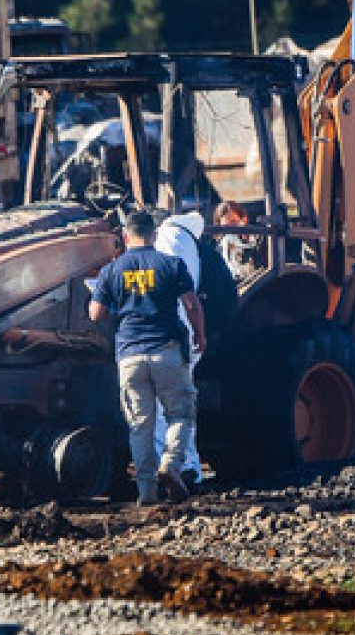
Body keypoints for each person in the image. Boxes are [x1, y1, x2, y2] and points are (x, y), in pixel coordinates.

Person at [88, 208, 206, 505]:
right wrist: (200, 336)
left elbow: (95, 314)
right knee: (180, 413)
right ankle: (172, 464)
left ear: (125, 236)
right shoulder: (171, 263)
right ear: (154, 234)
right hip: (166, 351)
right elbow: (192, 306)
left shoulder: (111, 271)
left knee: (140, 426)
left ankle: (147, 493)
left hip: (129, 356)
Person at [152, 211, 206, 489]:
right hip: (178, 338)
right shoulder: (187, 242)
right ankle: (185, 468)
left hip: (159, 338)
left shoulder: (168, 241)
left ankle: (175, 466)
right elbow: (192, 302)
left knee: (161, 409)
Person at [213, 200, 252, 279]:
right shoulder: (219, 246)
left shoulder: (257, 239)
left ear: (243, 219)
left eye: (234, 222)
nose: (230, 229)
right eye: (226, 226)